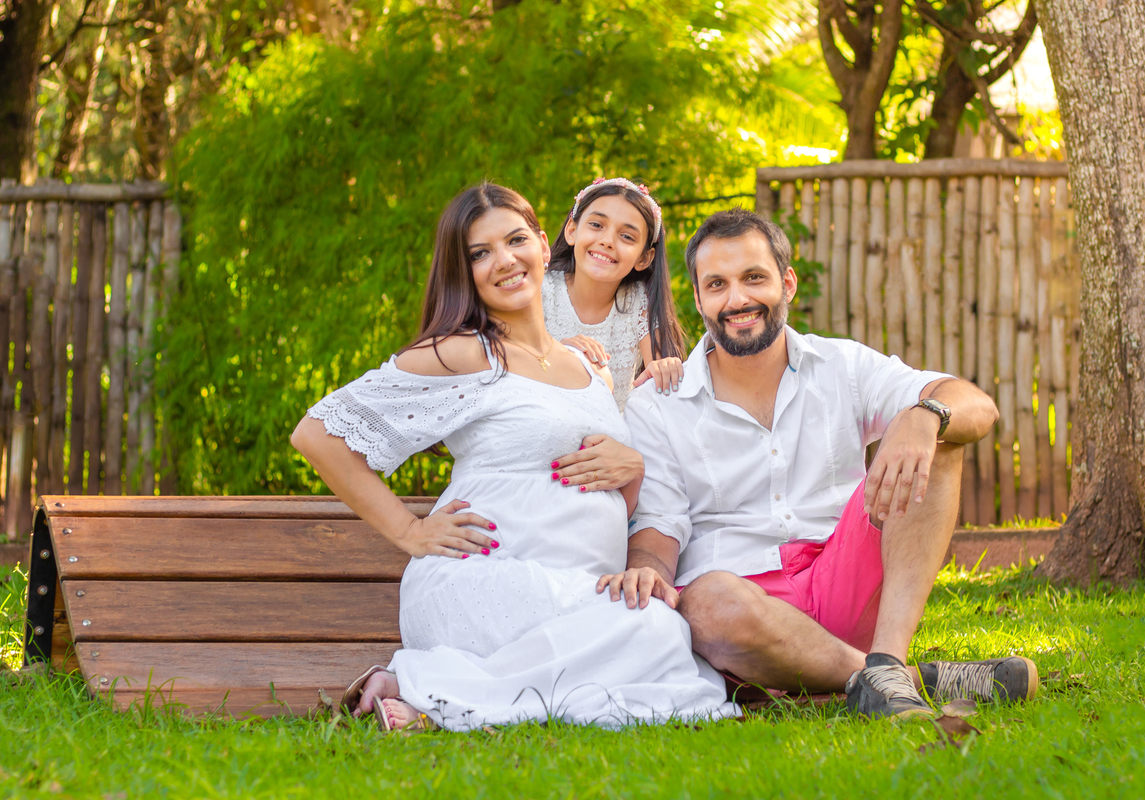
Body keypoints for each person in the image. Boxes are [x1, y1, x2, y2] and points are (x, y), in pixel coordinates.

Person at [291, 183, 737, 732]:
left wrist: (634, 469)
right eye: (479, 253)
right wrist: (410, 531)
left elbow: (594, 494)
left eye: (515, 240)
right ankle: (425, 685)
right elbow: (317, 435)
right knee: (656, 639)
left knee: (659, 630)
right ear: (464, 271)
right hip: (486, 580)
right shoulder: (465, 353)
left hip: (577, 586)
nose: (503, 260)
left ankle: (423, 695)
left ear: (545, 245)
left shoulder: (587, 366)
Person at [600, 208, 1038, 718]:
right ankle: (895, 681)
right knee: (707, 601)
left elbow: (977, 406)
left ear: (787, 284)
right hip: (743, 612)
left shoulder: (842, 364)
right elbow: (659, 523)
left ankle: (888, 661)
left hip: (846, 581)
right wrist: (647, 570)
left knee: (936, 435)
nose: (737, 299)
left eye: (754, 278)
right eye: (717, 284)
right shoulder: (660, 403)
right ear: (698, 298)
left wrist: (926, 414)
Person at [542, 177, 688, 409]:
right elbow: (510, 363)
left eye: (627, 236)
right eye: (597, 225)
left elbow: (660, 388)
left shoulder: (639, 302)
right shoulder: (542, 291)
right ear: (572, 230)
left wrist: (664, 369)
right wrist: (558, 353)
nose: (607, 241)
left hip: (611, 438)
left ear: (644, 258)